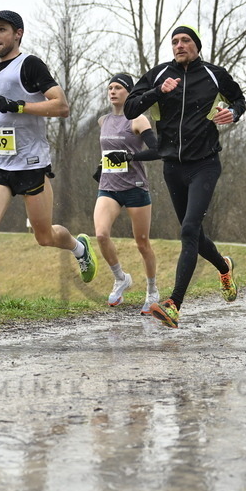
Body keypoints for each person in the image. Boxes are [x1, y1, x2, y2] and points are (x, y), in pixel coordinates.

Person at [0, 9, 97, 332]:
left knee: (44, 236)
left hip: (30, 165)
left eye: (1, 30)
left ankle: (79, 248)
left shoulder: (30, 65)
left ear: (18, 34)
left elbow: (61, 106)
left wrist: (20, 105)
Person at [123, 25, 246, 328]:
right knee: (195, 234)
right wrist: (157, 90)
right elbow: (129, 109)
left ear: (197, 46)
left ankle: (174, 304)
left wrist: (234, 113)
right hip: (172, 167)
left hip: (205, 164)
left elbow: (239, 100)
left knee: (189, 230)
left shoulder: (215, 74)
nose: (180, 45)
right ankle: (223, 265)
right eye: (175, 41)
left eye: (186, 41)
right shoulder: (159, 74)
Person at [94, 72, 160, 313]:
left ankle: (152, 290)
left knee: (142, 243)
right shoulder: (103, 121)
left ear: (129, 93)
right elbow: (108, 152)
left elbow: (157, 150)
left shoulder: (138, 120)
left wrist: (131, 156)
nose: (112, 91)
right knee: (101, 234)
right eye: (110, 87)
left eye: (118, 88)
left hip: (135, 188)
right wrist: (101, 166)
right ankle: (121, 278)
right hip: (109, 187)